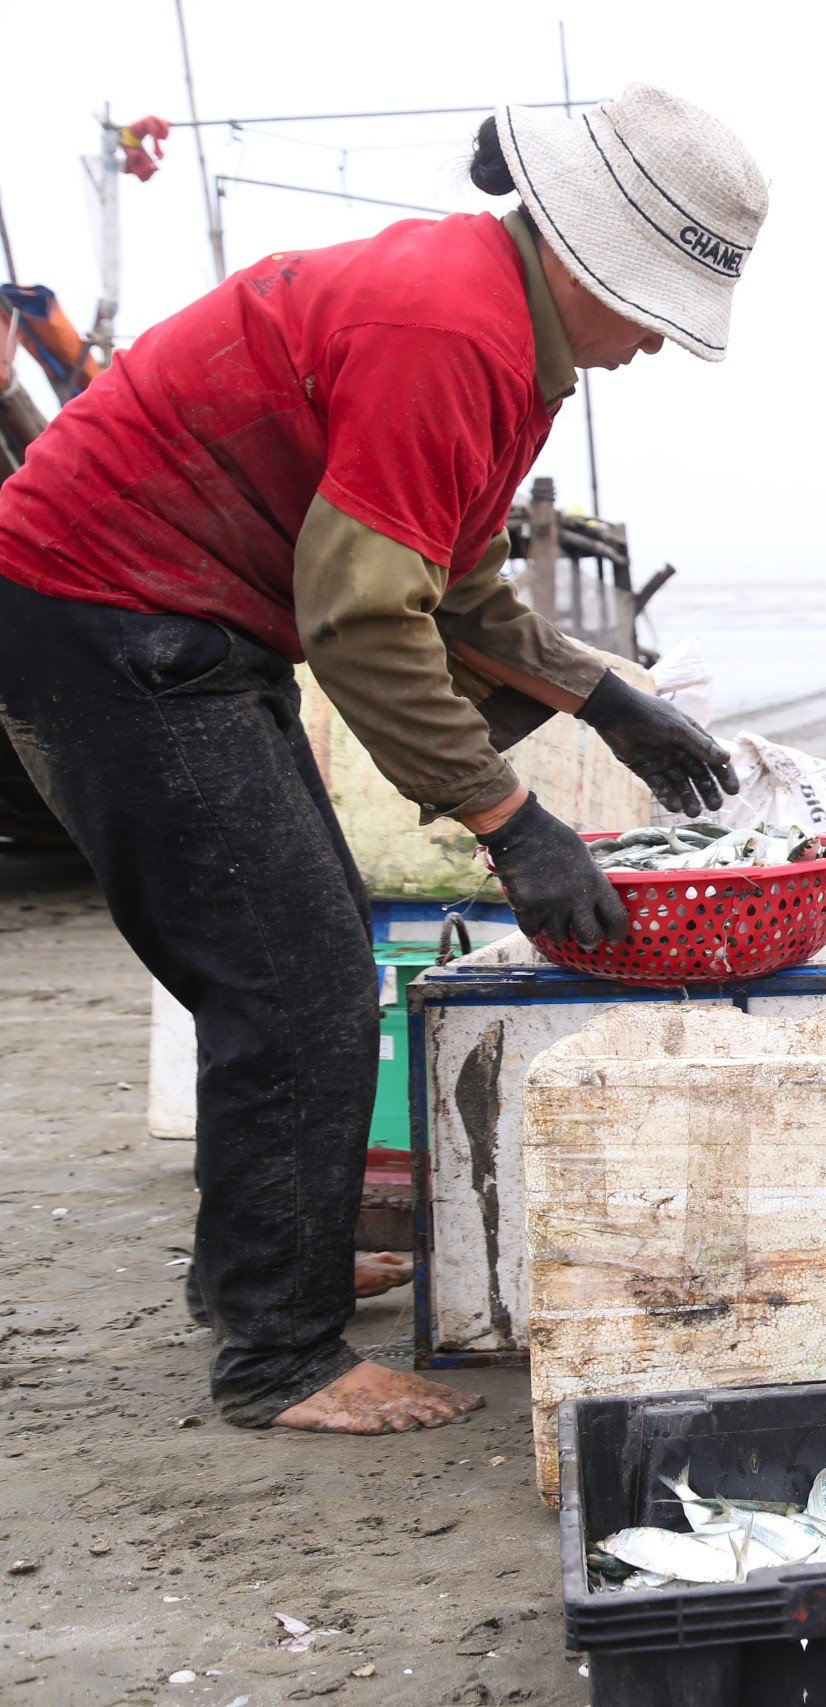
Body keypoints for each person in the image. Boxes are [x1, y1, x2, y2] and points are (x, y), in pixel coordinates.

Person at [0, 87, 767, 1434]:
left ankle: (264, 1262)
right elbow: (362, 618)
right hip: (108, 616)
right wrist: (509, 817)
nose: (654, 340)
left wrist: (604, 696)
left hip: (171, 619)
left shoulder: (499, 328)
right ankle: (278, 1354)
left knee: (297, 952)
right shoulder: (451, 330)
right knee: (292, 976)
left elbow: (454, 580)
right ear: (591, 259)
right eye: (652, 304)